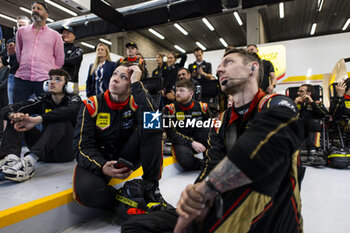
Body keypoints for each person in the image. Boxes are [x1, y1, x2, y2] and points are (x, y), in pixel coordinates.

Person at [122, 49, 304, 233]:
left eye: (228, 63)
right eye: (219, 66)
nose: (219, 69)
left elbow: (270, 142)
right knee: (134, 228)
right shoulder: (222, 120)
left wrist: (208, 189)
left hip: (264, 216)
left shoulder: (276, 103)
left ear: (252, 68)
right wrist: (195, 195)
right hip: (218, 205)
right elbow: (212, 162)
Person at [73, 63, 164, 213]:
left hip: (125, 156)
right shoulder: (91, 105)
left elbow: (153, 119)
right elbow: (81, 147)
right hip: (99, 158)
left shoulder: (135, 103)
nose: (115, 79)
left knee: (152, 125)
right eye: (114, 74)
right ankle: (126, 201)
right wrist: (102, 166)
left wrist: (137, 85)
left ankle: (151, 188)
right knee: (85, 192)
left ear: (130, 86)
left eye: (123, 77)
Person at [0, 69, 81, 182]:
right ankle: (10, 160)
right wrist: (12, 115)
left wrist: (37, 120)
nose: (52, 82)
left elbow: (69, 111)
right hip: (44, 151)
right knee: (17, 118)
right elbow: (8, 108)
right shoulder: (44, 99)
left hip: (65, 152)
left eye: (57, 79)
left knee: (60, 118)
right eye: (50, 79)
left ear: (67, 85)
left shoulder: (74, 99)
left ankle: (29, 163)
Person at [14, 1, 64, 103]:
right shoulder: (21, 31)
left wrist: (49, 73)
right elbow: (19, 54)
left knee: (45, 112)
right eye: (33, 8)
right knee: (18, 111)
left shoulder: (55, 36)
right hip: (22, 78)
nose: (35, 10)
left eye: (39, 8)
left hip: (44, 80)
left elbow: (59, 60)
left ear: (46, 15)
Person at [163, 79, 210, 171]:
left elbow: (211, 130)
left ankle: (211, 159)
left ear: (191, 93)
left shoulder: (203, 107)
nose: (178, 93)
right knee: (186, 160)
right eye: (176, 90)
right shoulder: (170, 109)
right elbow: (171, 135)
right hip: (182, 142)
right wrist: (191, 143)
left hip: (199, 139)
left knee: (208, 128)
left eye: (182, 90)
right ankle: (204, 164)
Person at [294, 84, 328, 166]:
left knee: (314, 122)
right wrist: (294, 103)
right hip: (299, 127)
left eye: (301, 91)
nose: (298, 93)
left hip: (311, 127)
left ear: (308, 93)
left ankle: (312, 153)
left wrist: (311, 103)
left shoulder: (316, 103)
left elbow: (324, 114)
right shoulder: (294, 102)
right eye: (298, 91)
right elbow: (287, 114)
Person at [1, 15, 31, 104]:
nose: (21, 28)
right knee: (13, 104)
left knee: (31, 104)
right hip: (14, 76)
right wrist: (9, 54)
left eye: (24, 25)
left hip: (30, 76)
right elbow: (4, 62)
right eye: (20, 25)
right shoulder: (11, 42)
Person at [61, 26, 83, 94]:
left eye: (68, 33)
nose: (65, 34)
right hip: (58, 82)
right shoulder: (58, 49)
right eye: (64, 33)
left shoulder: (78, 50)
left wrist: (58, 61)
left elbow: (73, 61)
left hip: (72, 82)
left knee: (72, 103)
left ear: (74, 36)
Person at [0, 56, 10, 140]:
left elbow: (6, 82)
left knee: (3, 113)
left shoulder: (7, 69)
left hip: (4, 94)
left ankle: (3, 135)